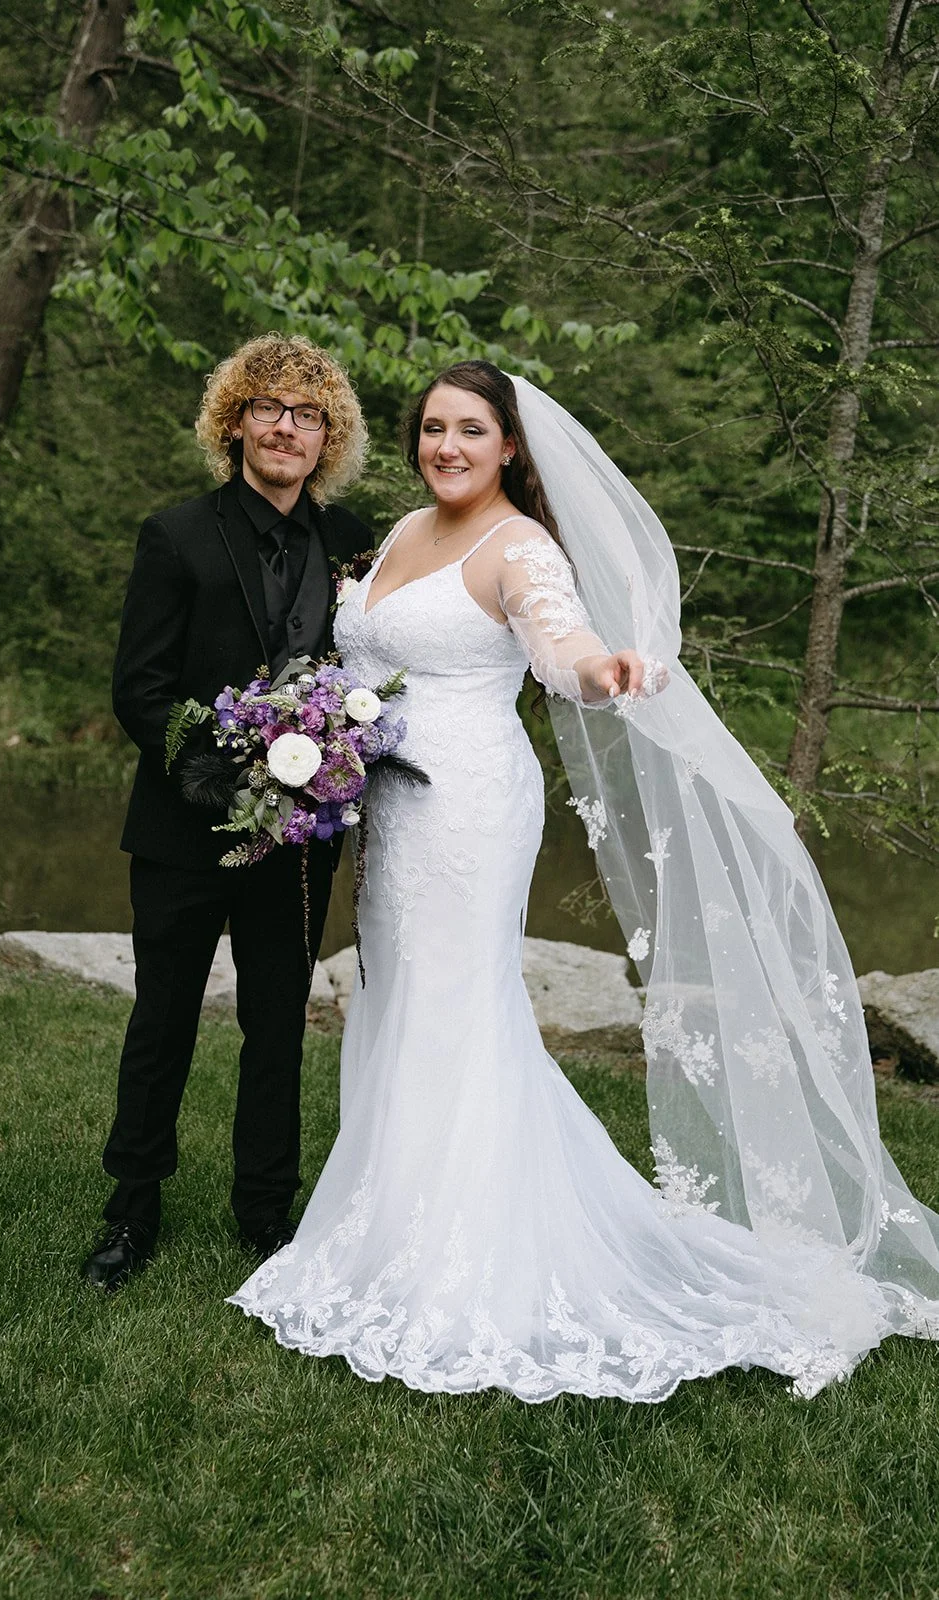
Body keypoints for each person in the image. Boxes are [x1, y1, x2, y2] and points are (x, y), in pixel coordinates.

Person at [228, 360, 939, 1401]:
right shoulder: (397, 535)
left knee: (457, 1011)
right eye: (431, 428)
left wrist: (602, 669)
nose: (446, 447)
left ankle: (462, 1263)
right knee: (401, 1004)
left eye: (470, 429)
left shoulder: (517, 544)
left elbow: (555, 643)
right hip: (387, 808)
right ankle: (382, 1227)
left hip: (466, 807)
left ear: (509, 445)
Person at [82, 334, 372, 1293]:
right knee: (162, 1019)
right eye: (268, 408)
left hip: (296, 844)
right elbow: (140, 688)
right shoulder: (175, 535)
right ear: (234, 422)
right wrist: (209, 771)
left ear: (327, 436)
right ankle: (131, 1213)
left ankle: (265, 1213)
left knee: (278, 1022)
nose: (287, 428)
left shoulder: (350, 542)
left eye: (307, 413)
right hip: (180, 828)